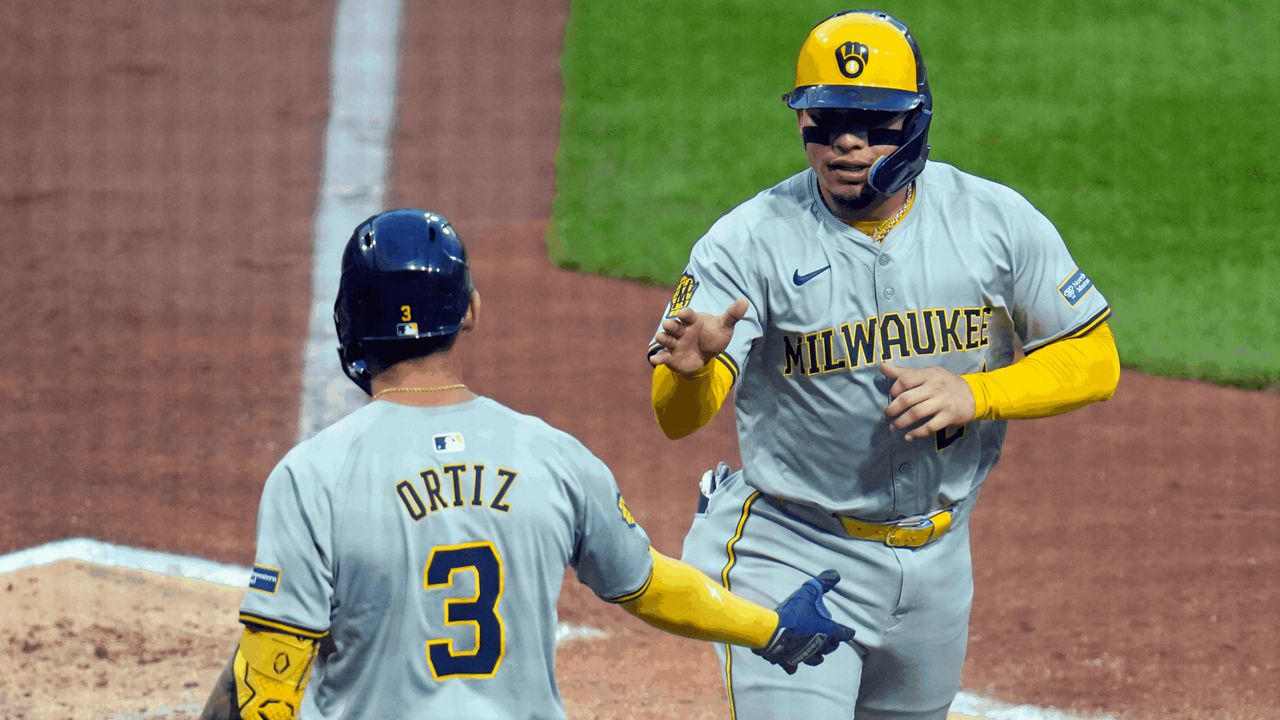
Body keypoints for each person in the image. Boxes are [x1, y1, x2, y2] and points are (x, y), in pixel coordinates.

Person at [647, 9, 1120, 719]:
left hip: (938, 558)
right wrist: (686, 373)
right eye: (824, 118)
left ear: (918, 122)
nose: (845, 141)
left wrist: (978, 393)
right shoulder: (748, 241)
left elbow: (1095, 359)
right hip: (796, 550)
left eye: (873, 122)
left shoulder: (992, 221)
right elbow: (678, 421)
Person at [198, 209, 855, 720]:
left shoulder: (313, 474)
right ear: (471, 311)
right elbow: (648, 583)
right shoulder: (551, 456)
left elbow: (268, 683)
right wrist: (771, 628)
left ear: (346, 320)